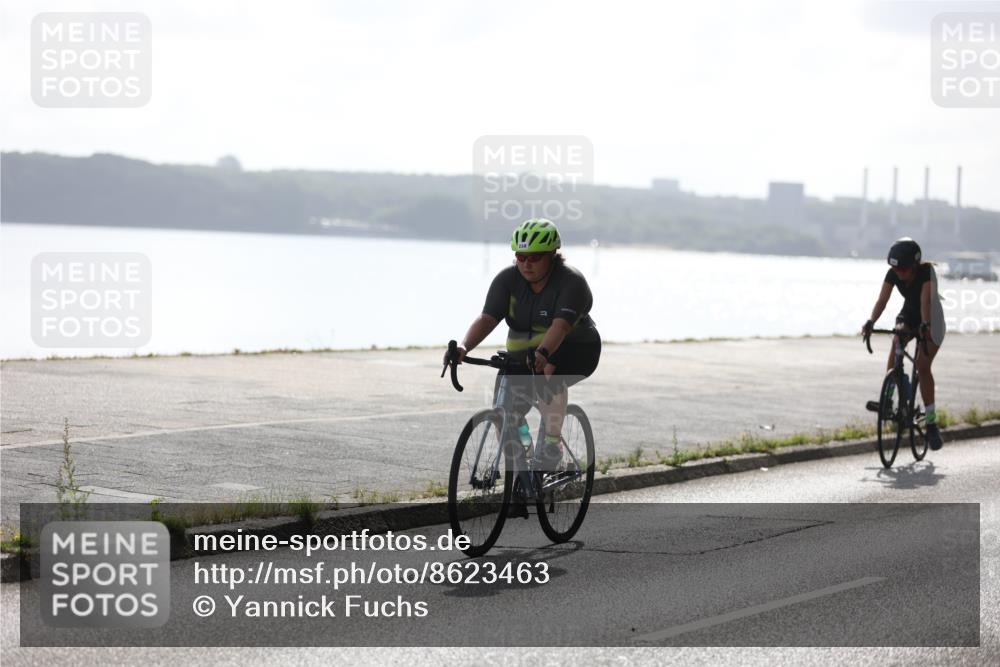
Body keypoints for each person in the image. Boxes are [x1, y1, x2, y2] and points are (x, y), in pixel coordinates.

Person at [449, 218, 601, 511]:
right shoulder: (508, 280)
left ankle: (552, 445)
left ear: (552, 255)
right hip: (527, 350)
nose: (526, 264)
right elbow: (487, 319)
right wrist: (465, 347)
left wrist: (544, 354)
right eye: (520, 256)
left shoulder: (571, 283)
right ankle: (525, 458)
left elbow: (560, 327)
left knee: (550, 373)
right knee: (506, 411)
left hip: (576, 348)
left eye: (534, 257)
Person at [862, 237, 946, 450]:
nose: (899, 273)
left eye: (903, 270)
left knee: (922, 366)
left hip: (932, 318)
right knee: (897, 341)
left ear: (915, 265)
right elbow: (882, 300)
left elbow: (925, 301)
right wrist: (871, 321)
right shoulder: (894, 272)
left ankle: (931, 422)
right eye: (895, 269)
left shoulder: (927, 272)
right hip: (909, 313)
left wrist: (925, 324)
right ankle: (890, 398)